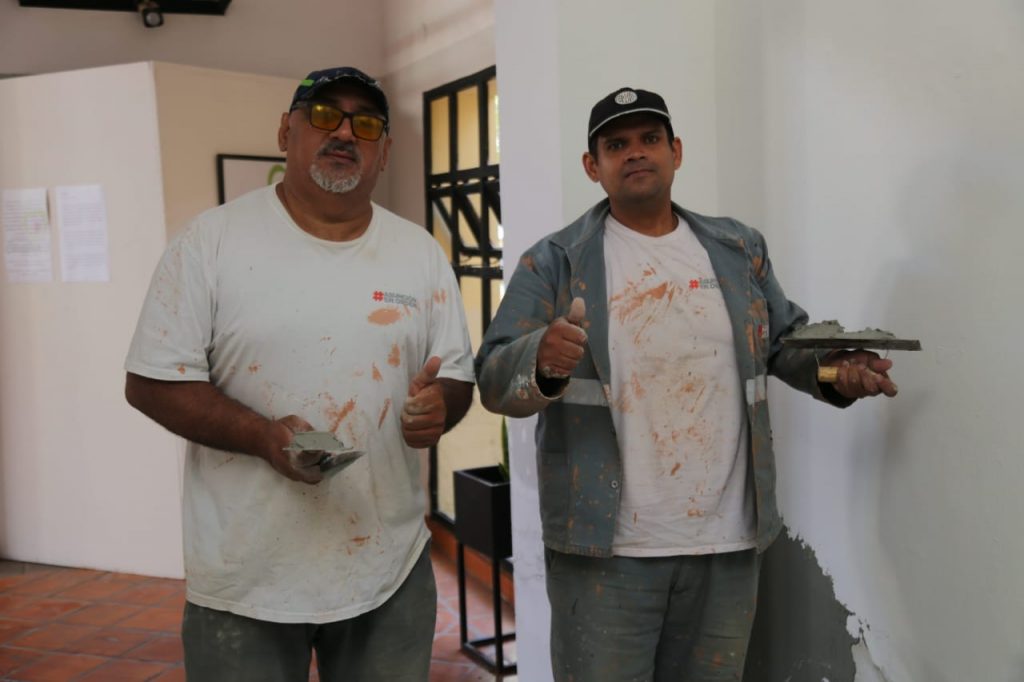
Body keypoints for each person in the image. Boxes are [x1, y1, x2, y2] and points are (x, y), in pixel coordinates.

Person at [475, 87, 898, 681]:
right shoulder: (554, 262)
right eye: (616, 145)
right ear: (592, 166)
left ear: (676, 151)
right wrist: (539, 359)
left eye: (650, 139)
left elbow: (783, 343)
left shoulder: (737, 249)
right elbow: (493, 379)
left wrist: (838, 371)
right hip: (605, 552)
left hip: (726, 544)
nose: (636, 152)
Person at [124, 66, 475, 681]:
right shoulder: (210, 242)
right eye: (323, 115)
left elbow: (456, 376)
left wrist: (440, 406)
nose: (344, 132)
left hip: (387, 566)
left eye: (365, 124)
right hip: (246, 574)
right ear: (286, 132)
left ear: (385, 151)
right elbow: (152, 382)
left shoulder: (418, 252)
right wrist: (262, 436)